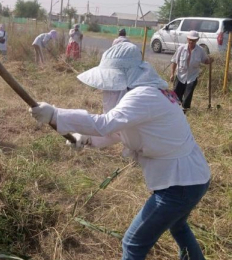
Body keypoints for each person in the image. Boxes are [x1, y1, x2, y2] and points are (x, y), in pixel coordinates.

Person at [30, 42, 211, 260]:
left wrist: (56, 115)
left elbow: (106, 123)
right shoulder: (151, 93)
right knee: (178, 226)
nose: (106, 91)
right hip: (191, 178)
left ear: (124, 76)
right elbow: (118, 131)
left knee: (133, 244)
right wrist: (85, 139)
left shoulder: (143, 95)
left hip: (180, 184)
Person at [170, 30, 214, 113]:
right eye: (190, 40)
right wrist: (172, 74)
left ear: (197, 40)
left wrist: (209, 61)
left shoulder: (200, 50)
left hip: (192, 76)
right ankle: (174, 110)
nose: (191, 42)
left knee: (188, 95)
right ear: (187, 39)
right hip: (180, 76)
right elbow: (174, 61)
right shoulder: (181, 48)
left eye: (193, 40)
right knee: (176, 94)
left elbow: (205, 61)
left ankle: (184, 111)